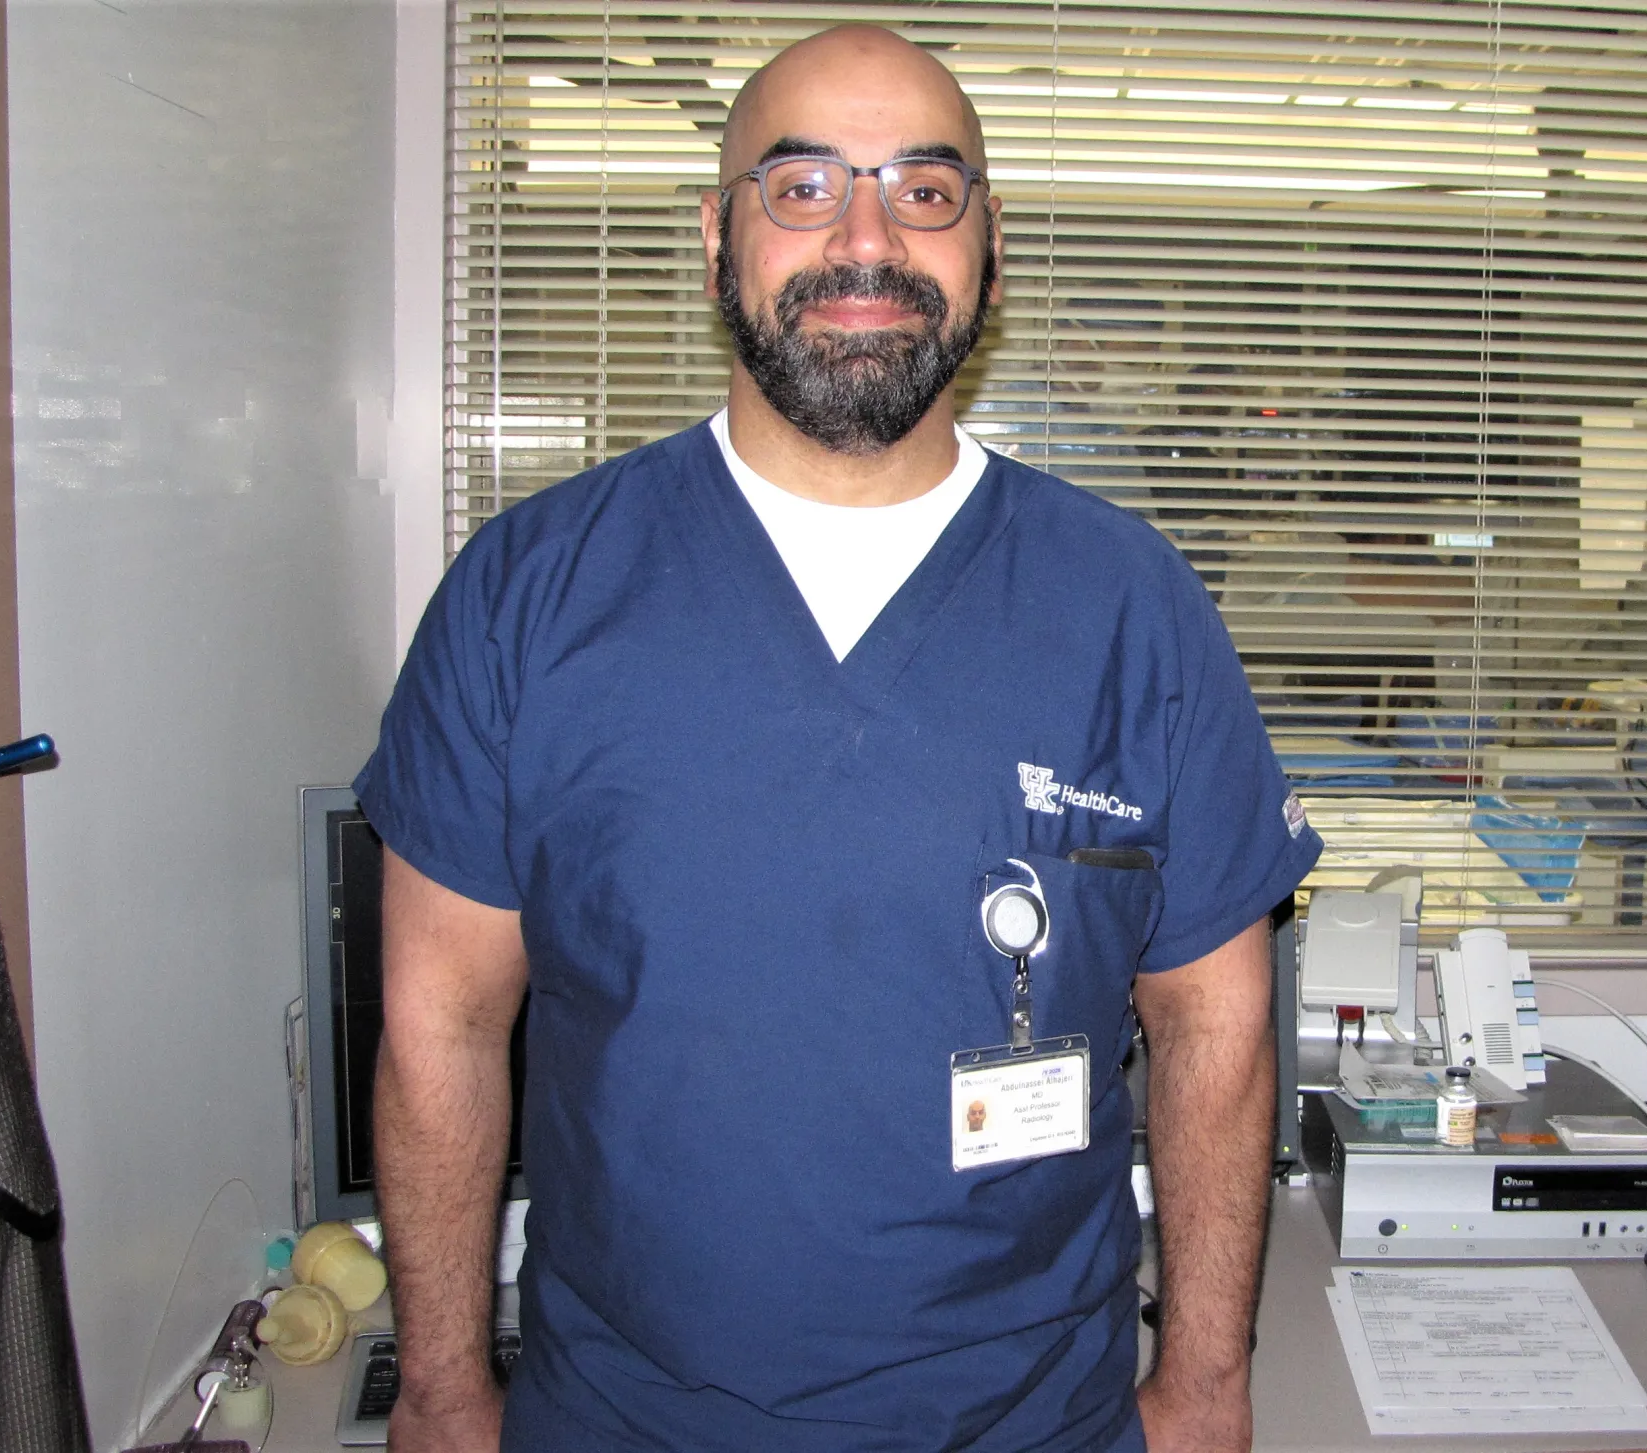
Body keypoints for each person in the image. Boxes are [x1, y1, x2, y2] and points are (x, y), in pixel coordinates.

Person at [357, 22, 1321, 1453]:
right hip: (625, 1418)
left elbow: (1214, 1031)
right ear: (716, 234)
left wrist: (1207, 1381)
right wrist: (440, 1390)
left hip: (1029, 1423)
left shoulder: (1131, 606)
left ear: (988, 246)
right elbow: (441, 1024)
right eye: (803, 187)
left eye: (925, 192)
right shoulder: (529, 593)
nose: (867, 238)